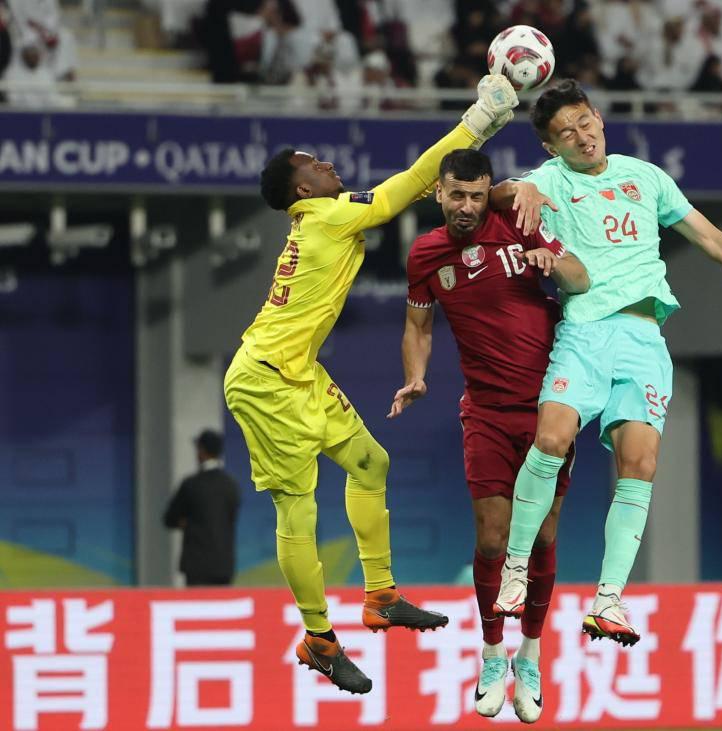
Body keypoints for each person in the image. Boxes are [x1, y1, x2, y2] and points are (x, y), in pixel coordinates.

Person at [490, 79, 722, 647]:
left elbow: (710, 238)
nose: (581, 136)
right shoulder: (549, 179)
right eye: (565, 134)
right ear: (551, 147)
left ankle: (609, 599)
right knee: (551, 439)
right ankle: (515, 570)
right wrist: (514, 190)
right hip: (585, 333)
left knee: (640, 464)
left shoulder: (646, 177)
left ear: (599, 118)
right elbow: (500, 192)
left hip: (645, 341)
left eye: (584, 122)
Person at [223, 75, 518, 695]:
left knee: (371, 463)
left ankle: (380, 596)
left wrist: (483, 129)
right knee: (297, 506)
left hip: (299, 372)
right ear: (303, 189)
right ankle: (319, 639)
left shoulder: (322, 215)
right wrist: (477, 120)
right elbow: (410, 184)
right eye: (314, 163)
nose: (327, 164)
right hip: (265, 380)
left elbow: (415, 184)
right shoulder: (327, 216)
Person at [389, 149, 589, 722]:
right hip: (485, 413)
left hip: (549, 410)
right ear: (438, 193)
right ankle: (493, 652)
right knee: (493, 539)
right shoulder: (425, 254)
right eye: (457, 195)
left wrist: (553, 264)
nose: (468, 206)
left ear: (487, 193)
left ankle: (532, 652)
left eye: (477, 196)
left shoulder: (518, 222)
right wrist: (416, 376)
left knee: (544, 535)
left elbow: (580, 276)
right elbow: (418, 325)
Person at [163, 430, 241, 587]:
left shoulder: (191, 484)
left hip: (196, 565)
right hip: (223, 564)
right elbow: (232, 516)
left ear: (201, 451)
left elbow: (170, 518)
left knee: (198, 602)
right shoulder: (231, 485)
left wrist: (187, 522)